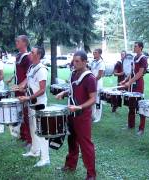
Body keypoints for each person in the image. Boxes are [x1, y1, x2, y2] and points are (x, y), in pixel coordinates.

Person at [56, 50, 97, 180]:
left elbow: (93, 99)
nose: (74, 63)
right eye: (74, 61)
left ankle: (91, 174)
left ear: (85, 62)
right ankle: (70, 165)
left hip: (82, 116)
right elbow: (73, 89)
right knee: (71, 141)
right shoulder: (74, 74)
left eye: (77, 61)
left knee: (86, 145)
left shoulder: (90, 78)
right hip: (71, 113)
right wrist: (64, 92)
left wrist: (79, 107)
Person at [18, 46, 50, 167]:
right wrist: (22, 88)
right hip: (31, 102)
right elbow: (31, 83)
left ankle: (45, 158)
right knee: (32, 128)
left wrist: (27, 98)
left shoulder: (41, 69)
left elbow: (42, 90)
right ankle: (35, 151)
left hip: (39, 103)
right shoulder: (32, 67)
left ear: (38, 55)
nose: (30, 54)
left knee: (41, 131)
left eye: (32, 52)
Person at [7, 35, 32, 147]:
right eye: (16, 41)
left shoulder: (27, 57)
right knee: (20, 112)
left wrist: (22, 85)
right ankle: (22, 134)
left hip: (24, 89)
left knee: (26, 113)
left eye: (18, 41)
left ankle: (29, 139)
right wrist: (13, 79)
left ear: (24, 43)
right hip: (18, 88)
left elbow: (29, 75)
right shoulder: (18, 56)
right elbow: (18, 72)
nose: (16, 42)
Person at [120, 42, 147, 136]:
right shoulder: (135, 58)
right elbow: (132, 72)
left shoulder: (143, 58)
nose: (134, 47)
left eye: (135, 46)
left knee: (139, 106)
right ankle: (131, 125)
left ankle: (141, 128)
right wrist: (125, 80)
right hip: (132, 84)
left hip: (138, 84)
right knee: (131, 105)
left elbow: (140, 73)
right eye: (134, 46)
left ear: (141, 48)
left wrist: (129, 82)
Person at [90, 48, 105, 123]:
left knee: (98, 101)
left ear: (99, 54)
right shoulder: (93, 62)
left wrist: (92, 81)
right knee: (92, 100)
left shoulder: (101, 63)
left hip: (98, 84)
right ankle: (92, 115)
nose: (94, 54)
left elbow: (99, 75)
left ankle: (98, 117)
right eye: (93, 52)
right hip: (92, 82)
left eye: (95, 53)